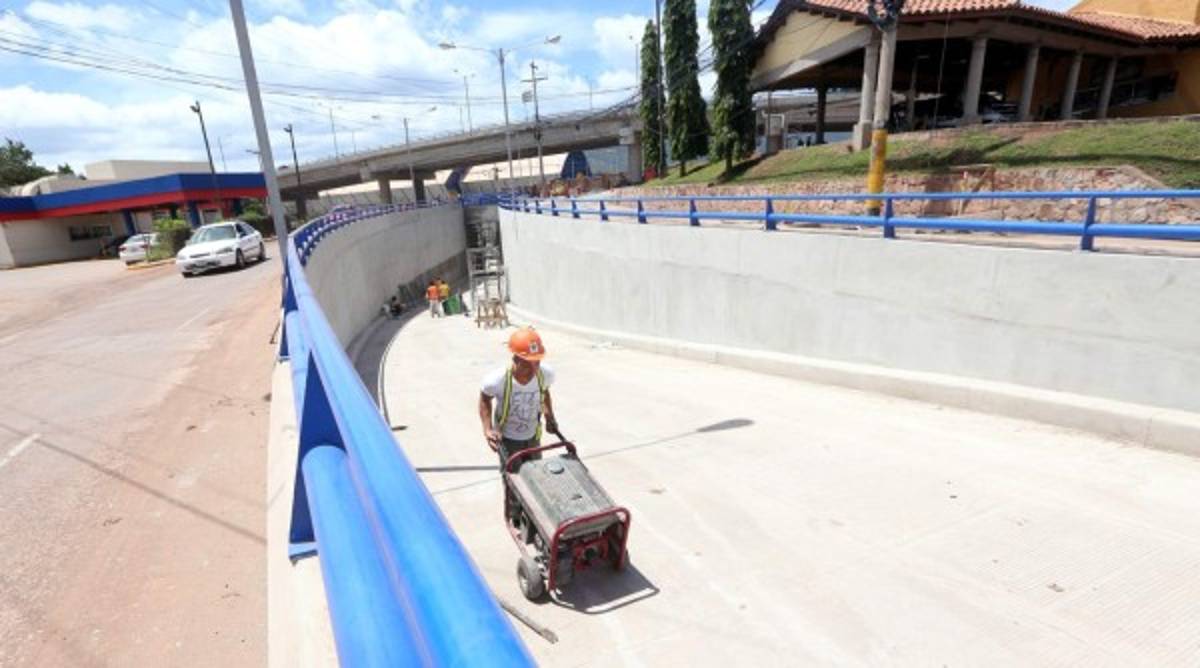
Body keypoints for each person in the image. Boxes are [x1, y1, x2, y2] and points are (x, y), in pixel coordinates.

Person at [478, 327, 559, 470]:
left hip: (533, 436)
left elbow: (544, 392)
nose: (533, 370)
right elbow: (485, 399)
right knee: (513, 477)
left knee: (536, 472)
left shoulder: (545, 374)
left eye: (537, 363)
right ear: (515, 359)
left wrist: (549, 416)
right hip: (508, 439)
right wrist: (488, 429)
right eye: (527, 364)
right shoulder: (497, 380)